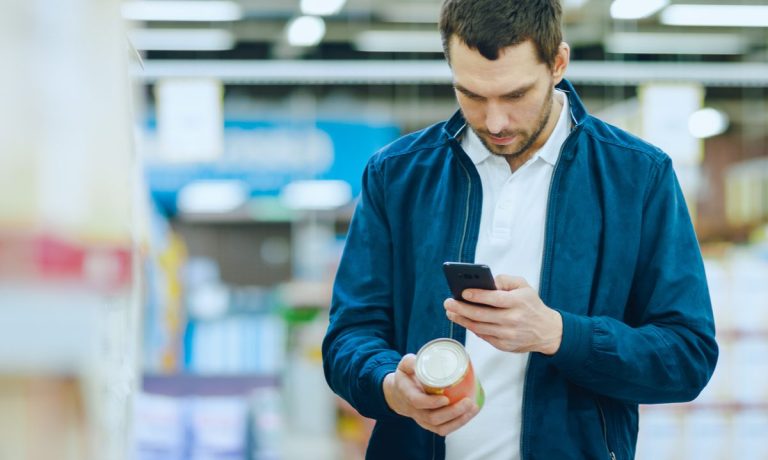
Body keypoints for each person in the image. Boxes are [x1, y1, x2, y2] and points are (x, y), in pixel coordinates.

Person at [322, 0, 718, 458]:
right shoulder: (397, 174)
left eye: (514, 95)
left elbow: (687, 356)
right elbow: (349, 335)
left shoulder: (637, 176)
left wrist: (559, 334)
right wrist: (389, 386)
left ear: (558, 64)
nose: (495, 121)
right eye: (470, 94)